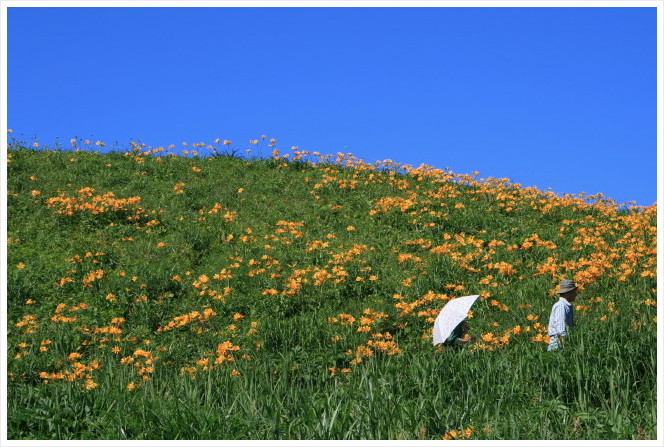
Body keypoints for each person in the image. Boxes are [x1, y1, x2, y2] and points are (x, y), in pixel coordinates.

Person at [547, 279, 578, 351]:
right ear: (567, 293)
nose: (576, 294)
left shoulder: (565, 305)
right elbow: (561, 329)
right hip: (558, 347)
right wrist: (565, 349)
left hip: (561, 345)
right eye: (574, 292)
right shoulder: (561, 306)